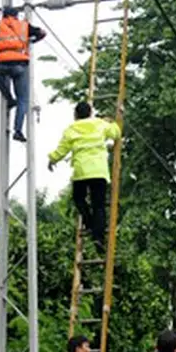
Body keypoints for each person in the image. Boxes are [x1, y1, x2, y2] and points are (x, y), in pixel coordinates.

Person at [48, 101, 120, 255]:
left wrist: (52, 160)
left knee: (79, 199)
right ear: (91, 112)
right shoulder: (100, 124)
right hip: (99, 170)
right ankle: (98, 237)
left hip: (81, 171)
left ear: (75, 115)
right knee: (99, 206)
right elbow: (116, 133)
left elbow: (62, 150)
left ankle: (89, 224)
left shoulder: (71, 129)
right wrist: (112, 122)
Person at [0, 6, 46, 143]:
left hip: (2, 63)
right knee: (23, 100)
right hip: (20, 64)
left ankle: (9, 98)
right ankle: (18, 131)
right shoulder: (23, 25)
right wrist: (31, 41)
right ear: (16, 15)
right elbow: (42, 33)